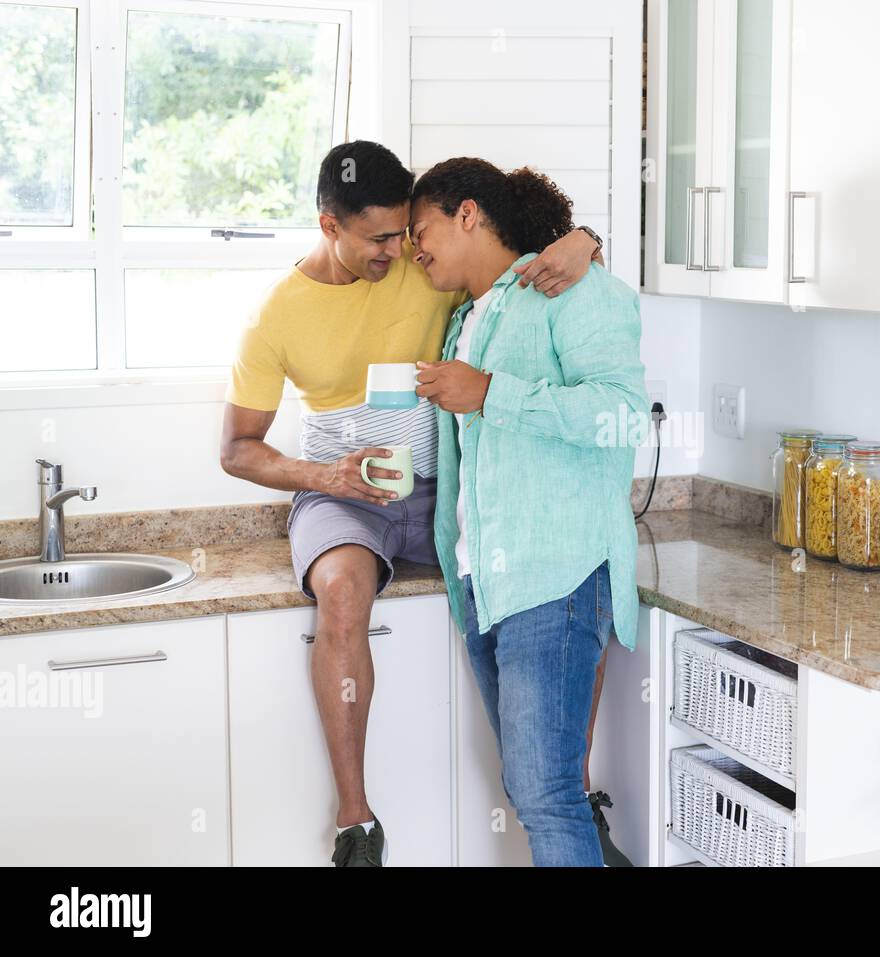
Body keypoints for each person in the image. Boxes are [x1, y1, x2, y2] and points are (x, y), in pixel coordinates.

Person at [219, 140, 601, 866]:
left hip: (444, 489)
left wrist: (585, 242)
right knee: (340, 591)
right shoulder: (276, 316)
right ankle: (356, 820)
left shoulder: (430, 266)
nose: (397, 251)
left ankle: (571, 795)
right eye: (378, 237)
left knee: (565, 577)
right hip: (344, 497)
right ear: (328, 225)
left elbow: (522, 254)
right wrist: (325, 477)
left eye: (404, 232)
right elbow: (237, 448)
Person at [409, 157, 648, 866]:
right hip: (488, 583)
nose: (414, 248)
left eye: (421, 229)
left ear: (469, 213)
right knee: (535, 787)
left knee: (545, 794)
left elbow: (624, 416)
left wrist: (493, 393)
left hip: (559, 574)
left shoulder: (574, 292)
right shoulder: (465, 321)